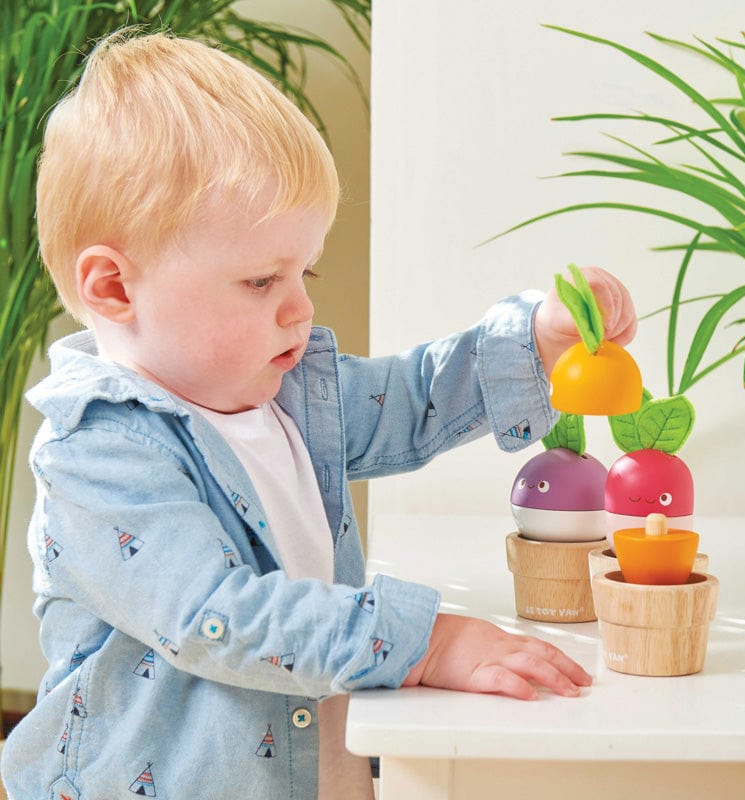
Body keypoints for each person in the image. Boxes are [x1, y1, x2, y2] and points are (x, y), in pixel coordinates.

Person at [0, 29, 637, 800]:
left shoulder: (286, 395)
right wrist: (422, 643)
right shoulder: (97, 453)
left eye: (305, 270)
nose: (301, 309)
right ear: (113, 288)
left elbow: (412, 398)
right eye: (262, 281)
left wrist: (534, 342)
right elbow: (216, 613)